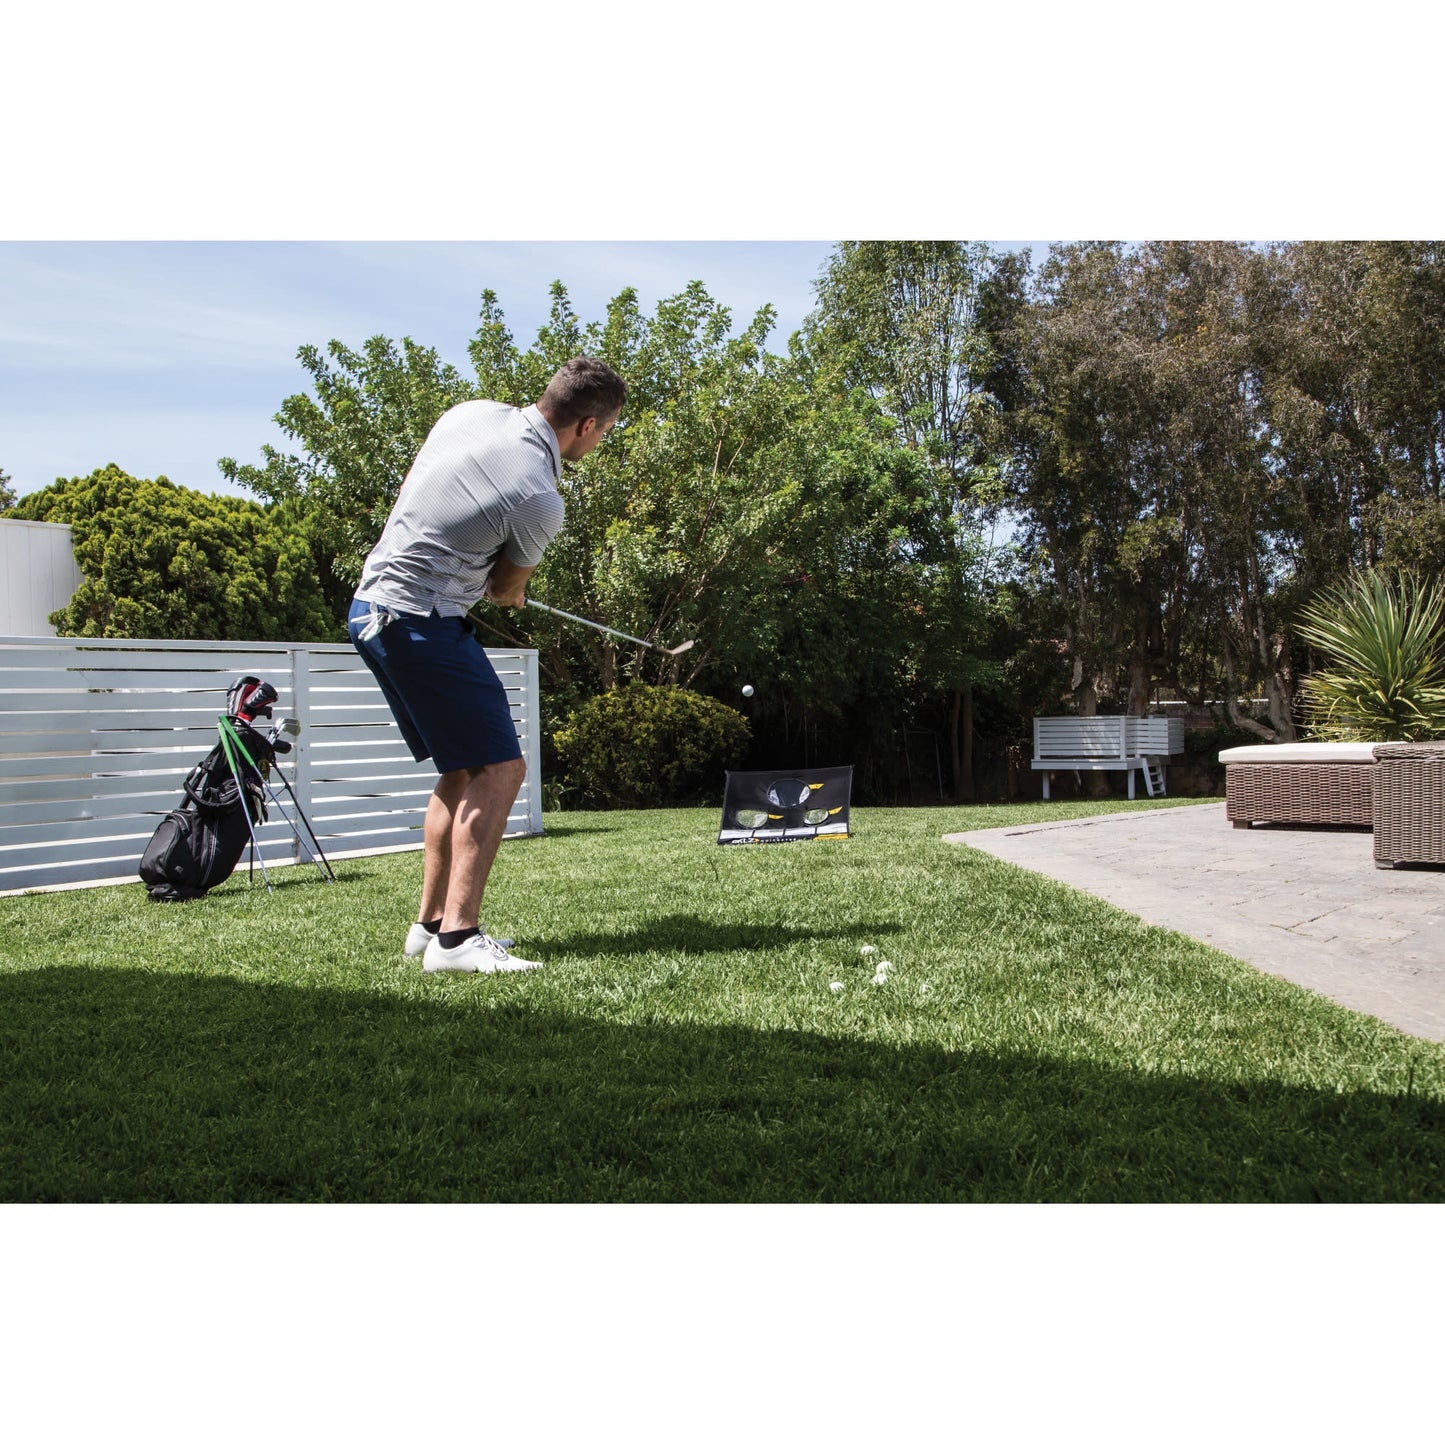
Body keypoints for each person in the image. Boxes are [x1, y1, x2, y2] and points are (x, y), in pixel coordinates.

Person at [348, 356, 627, 974]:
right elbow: (505, 590)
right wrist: (509, 585)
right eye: (605, 432)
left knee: (464, 767)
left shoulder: (469, 414)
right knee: (503, 767)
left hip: (371, 608)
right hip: (419, 621)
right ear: (586, 425)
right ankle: (458, 940)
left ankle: (427, 927)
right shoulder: (539, 496)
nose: (601, 442)